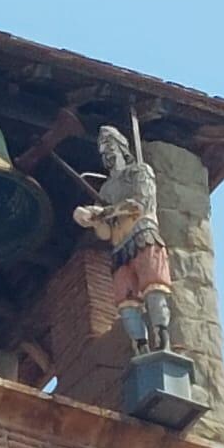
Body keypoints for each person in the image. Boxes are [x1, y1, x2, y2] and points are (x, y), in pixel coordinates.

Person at [73, 126, 172, 354]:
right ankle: (141, 348)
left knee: (153, 290)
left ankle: (163, 338)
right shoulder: (107, 189)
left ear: (121, 148)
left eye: (109, 146)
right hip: (120, 248)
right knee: (126, 305)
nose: (105, 153)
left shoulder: (139, 172)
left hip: (143, 237)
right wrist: (92, 221)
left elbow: (137, 205)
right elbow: (106, 233)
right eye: (102, 149)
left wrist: (102, 213)